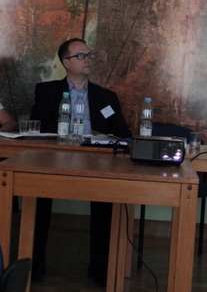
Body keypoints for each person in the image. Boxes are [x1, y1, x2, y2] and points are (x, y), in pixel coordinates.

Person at [29, 38, 132, 286]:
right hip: (54, 157)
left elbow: (122, 133)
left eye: (89, 55)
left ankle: (100, 267)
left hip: (97, 160)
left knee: (106, 200)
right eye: (81, 56)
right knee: (36, 197)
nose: (88, 59)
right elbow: (39, 125)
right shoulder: (47, 91)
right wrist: (68, 132)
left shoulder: (107, 97)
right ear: (66, 62)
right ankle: (35, 264)